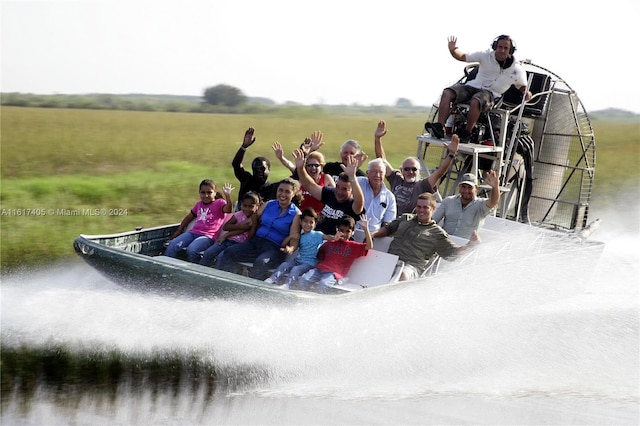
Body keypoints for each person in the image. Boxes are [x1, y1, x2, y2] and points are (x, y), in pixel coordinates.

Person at [426, 35, 532, 142]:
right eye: (500, 47)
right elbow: (462, 56)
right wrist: (453, 49)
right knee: (447, 92)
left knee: (476, 101)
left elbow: (522, 87)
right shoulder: (485, 55)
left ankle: (467, 133)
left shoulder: (517, 70)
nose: (502, 50)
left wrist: (526, 94)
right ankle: (439, 127)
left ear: (511, 50)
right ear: (495, 46)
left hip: (491, 94)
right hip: (473, 87)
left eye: (505, 48)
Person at [372, 192, 478, 281]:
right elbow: (388, 229)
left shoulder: (436, 233)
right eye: (418, 206)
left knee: (402, 275)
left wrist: (470, 245)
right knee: (372, 267)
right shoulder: (406, 218)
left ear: (433, 208)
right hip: (390, 261)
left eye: (425, 207)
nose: (421, 210)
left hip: (411, 267)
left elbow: (453, 253)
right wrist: (372, 235)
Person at [216, 178, 302, 280]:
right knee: (229, 252)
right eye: (280, 190)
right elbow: (250, 222)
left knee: (261, 262)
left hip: (274, 249)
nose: (282, 194)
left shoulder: (296, 214)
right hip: (256, 243)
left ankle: (251, 293)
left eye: (287, 191)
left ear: (294, 193)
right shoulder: (269, 204)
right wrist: (227, 234)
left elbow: (294, 238)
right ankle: (226, 284)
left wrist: (290, 248)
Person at [375, 120, 459, 216]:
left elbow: (440, 172)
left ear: (419, 171)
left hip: (410, 223)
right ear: (402, 171)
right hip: (391, 219)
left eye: (414, 169)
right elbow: (382, 161)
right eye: (407, 169)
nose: (410, 172)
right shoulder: (396, 179)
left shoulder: (423, 185)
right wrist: (377, 138)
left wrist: (451, 154)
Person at [293, 146, 365, 235]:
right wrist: (300, 168)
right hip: (316, 237)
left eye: (344, 189)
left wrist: (353, 177)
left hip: (335, 243)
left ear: (351, 191)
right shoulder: (330, 193)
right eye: (338, 187)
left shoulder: (352, 205)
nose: (339, 191)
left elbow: (360, 202)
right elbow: (310, 186)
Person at [164, 180, 233, 263]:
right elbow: (188, 217)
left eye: (209, 192)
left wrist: (228, 196)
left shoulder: (220, 203)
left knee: (192, 249)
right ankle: (165, 265)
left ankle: (194, 269)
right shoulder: (199, 204)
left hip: (208, 236)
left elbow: (228, 210)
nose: (206, 195)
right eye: (203, 193)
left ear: (215, 193)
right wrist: (179, 230)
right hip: (193, 233)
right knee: (173, 244)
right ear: (199, 193)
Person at [298, 215, 372, 293]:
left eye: (348, 231)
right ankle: (305, 299)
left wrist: (366, 229)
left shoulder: (353, 246)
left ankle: (321, 304)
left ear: (353, 232)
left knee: (323, 284)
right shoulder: (330, 242)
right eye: (341, 230)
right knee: (304, 279)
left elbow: (369, 246)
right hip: (319, 269)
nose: (344, 234)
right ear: (337, 229)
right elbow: (319, 256)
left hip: (334, 274)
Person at [264, 207, 333, 289]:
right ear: (300, 221)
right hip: (298, 260)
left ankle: (288, 285)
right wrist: (289, 244)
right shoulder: (299, 235)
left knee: (296, 269)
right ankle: (274, 279)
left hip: (309, 263)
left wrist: (336, 236)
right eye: (305, 221)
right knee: (284, 265)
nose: (308, 224)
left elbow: (328, 237)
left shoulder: (317, 234)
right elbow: (289, 245)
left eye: (311, 222)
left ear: (315, 224)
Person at [271, 137, 335, 213]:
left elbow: (335, 197)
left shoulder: (326, 178)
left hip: (320, 217)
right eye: (310, 165)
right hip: (301, 217)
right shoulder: (301, 176)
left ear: (321, 167)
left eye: (316, 165)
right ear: (306, 166)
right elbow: (290, 165)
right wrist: (281, 157)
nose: (313, 168)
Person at [431, 171, 500, 239]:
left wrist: (495, 187)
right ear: (459, 187)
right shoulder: (448, 201)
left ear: (476, 188)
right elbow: (433, 221)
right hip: (445, 242)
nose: (466, 191)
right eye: (463, 187)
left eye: (470, 187)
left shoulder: (480, 205)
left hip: (467, 246)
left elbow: (493, 202)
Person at [199, 191, 260, 267]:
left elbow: (250, 237)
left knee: (221, 257)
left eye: (251, 206)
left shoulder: (256, 219)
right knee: (209, 252)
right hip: (227, 240)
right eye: (245, 205)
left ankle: (219, 276)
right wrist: (240, 227)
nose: (247, 209)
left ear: (257, 206)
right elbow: (226, 227)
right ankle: (201, 272)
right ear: (241, 205)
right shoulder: (238, 215)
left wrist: (254, 224)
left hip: (239, 245)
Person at [232, 127, 277, 207]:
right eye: (255, 169)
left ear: (269, 170)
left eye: (262, 169)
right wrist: (244, 146)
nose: (259, 171)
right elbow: (236, 164)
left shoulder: (273, 188)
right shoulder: (246, 180)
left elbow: (294, 178)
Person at [355, 157, 397, 231]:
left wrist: (372, 235)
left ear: (385, 175)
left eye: (381, 172)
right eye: (374, 171)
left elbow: (387, 224)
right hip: (352, 231)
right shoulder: (358, 182)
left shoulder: (389, 197)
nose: (377, 175)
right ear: (367, 173)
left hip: (374, 235)